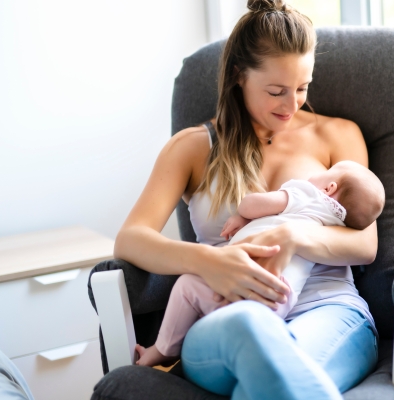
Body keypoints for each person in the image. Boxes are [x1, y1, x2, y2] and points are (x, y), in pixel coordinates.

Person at [113, 0, 379, 398]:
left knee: (266, 379)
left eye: (302, 88)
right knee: (251, 333)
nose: (293, 105)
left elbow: (365, 243)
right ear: (239, 75)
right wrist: (211, 262)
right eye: (277, 91)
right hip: (225, 314)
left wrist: (294, 237)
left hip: (328, 309)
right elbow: (131, 238)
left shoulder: (337, 135)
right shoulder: (191, 148)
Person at [134, 161, 385, 367]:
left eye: (325, 172)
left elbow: (252, 204)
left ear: (329, 187)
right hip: (281, 297)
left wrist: (244, 213)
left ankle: (163, 349)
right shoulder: (338, 224)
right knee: (265, 358)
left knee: (187, 286)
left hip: (244, 283)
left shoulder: (307, 194)